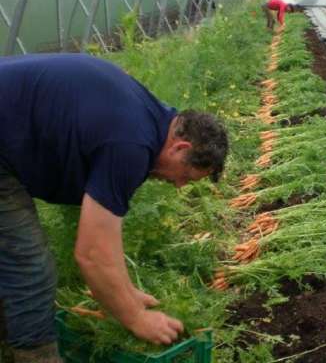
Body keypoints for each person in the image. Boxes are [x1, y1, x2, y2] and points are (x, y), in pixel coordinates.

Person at [0, 53, 229, 362]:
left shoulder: (148, 118)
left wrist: (125, 293)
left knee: (12, 257)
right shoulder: (131, 145)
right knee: (31, 268)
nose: (178, 186)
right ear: (181, 147)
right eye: (186, 177)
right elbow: (92, 253)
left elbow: (106, 235)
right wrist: (135, 318)